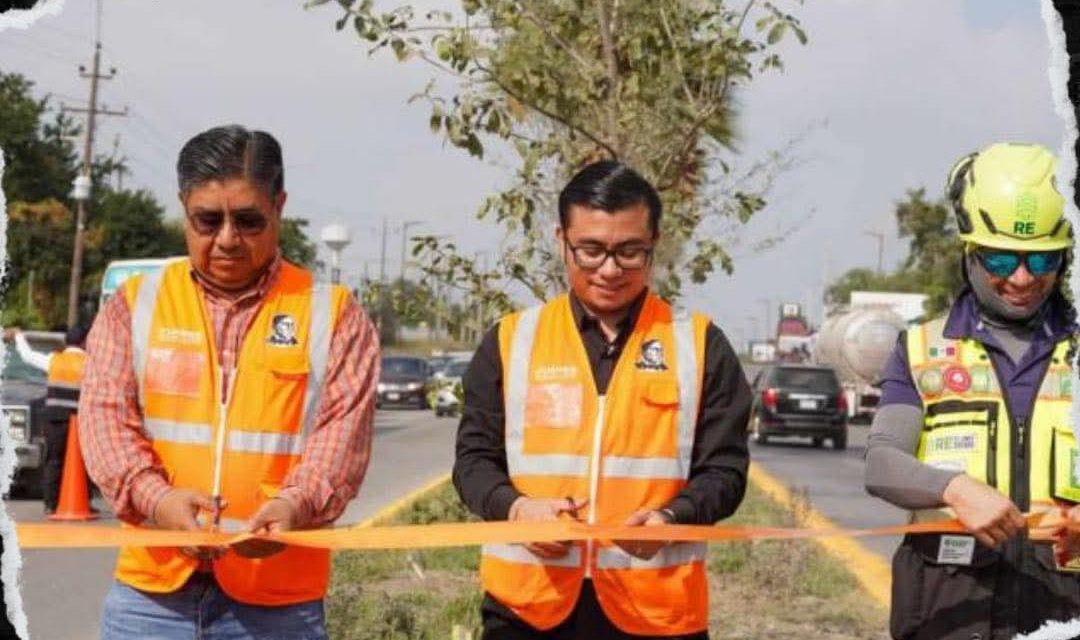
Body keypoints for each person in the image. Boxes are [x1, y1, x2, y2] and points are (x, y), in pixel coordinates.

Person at [79, 124, 380, 640]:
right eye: (206, 220)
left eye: (247, 220)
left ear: (279, 205)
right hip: (151, 600)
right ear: (183, 209)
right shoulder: (135, 306)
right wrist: (159, 502)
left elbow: (339, 443)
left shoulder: (333, 316)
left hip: (278, 603)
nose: (226, 239)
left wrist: (294, 506)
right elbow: (106, 425)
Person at [454, 160, 752, 639]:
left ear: (655, 243)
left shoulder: (699, 347)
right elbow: (472, 462)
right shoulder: (512, 341)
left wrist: (672, 518)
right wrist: (517, 509)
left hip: (656, 612)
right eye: (590, 250)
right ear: (561, 240)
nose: (610, 270)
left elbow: (726, 472)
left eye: (630, 252)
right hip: (527, 609)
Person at [865, 142, 1079, 640]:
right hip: (950, 606)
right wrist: (954, 489)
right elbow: (881, 462)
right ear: (970, 251)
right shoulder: (921, 349)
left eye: (1043, 260)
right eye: (1002, 259)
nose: (1023, 279)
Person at [4, 325, 93, 514]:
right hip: (80, 423)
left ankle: (50, 504)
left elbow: (28, 356)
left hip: (55, 419)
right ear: (84, 342)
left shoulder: (54, 360)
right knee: (82, 462)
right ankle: (83, 501)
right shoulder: (90, 364)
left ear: (65, 343)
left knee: (54, 461)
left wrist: (20, 337)